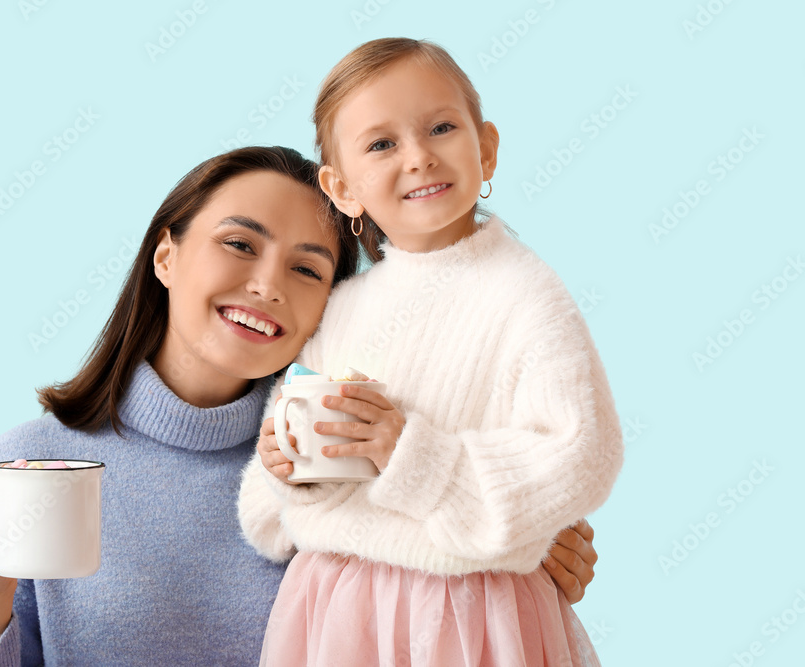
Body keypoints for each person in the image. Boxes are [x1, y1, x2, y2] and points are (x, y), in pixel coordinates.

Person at [0, 146, 599, 666]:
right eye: (239, 244)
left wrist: (515, 539)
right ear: (166, 253)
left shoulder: (343, 459)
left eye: (308, 268)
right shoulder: (33, 462)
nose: (266, 284)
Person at [239, 39, 624, 666]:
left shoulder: (526, 295)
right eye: (381, 144)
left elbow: (584, 453)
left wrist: (414, 455)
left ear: (487, 147)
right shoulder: (342, 306)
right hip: (336, 611)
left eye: (441, 127)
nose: (418, 157)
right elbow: (271, 505)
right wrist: (289, 468)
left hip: (469, 616)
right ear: (342, 188)